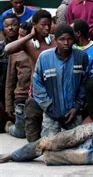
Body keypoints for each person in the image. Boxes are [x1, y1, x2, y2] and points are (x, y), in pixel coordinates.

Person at [4, 10, 55, 142]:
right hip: (34, 93)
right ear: (34, 25)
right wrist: (29, 36)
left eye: (49, 24)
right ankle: (9, 127)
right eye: (43, 24)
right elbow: (7, 49)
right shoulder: (29, 44)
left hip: (53, 91)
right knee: (25, 134)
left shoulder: (55, 41)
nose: (47, 27)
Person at [32, 24, 89, 137]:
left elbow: (85, 83)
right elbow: (37, 84)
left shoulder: (81, 57)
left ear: (74, 39)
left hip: (73, 112)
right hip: (51, 112)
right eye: (62, 39)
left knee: (78, 145)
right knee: (48, 146)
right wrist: (49, 107)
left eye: (69, 39)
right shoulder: (44, 57)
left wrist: (76, 107)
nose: (66, 43)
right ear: (55, 40)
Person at [4, 22, 32, 138]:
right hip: (21, 96)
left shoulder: (37, 50)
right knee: (21, 133)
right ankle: (9, 126)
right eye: (19, 36)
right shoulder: (14, 53)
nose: (19, 39)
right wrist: (8, 105)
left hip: (37, 97)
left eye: (23, 36)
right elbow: (9, 81)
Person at [1, 14, 20, 132]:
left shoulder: (26, 46)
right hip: (3, 91)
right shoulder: (1, 48)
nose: (10, 28)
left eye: (14, 25)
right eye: (7, 26)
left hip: (19, 92)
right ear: (3, 28)